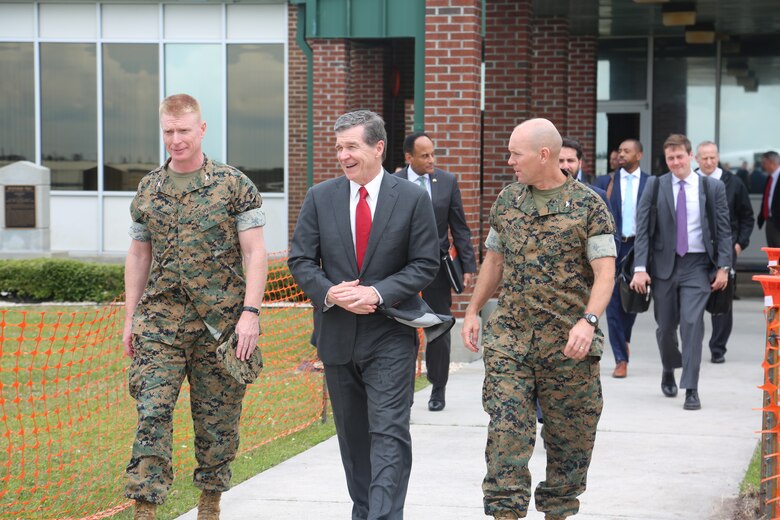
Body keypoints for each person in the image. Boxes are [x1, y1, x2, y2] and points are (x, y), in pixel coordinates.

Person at [288, 110, 440, 520]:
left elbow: (426, 263)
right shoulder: (321, 196)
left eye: (351, 146)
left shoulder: (411, 198)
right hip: (337, 336)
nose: (343, 155)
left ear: (378, 148)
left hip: (390, 333)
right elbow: (301, 259)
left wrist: (376, 292)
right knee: (354, 441)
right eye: (338, 147)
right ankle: (365, 512)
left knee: (389, 433)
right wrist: (331, 293)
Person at [461, 118, 616, 520]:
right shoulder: (508, 201)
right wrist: (473, 309)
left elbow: (605, 272)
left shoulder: (588, 206)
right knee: (506, 437)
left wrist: (589, 321)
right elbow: (493, 261)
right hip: (511, 342)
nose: (509, 160)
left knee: (570, 442)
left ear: (543, 155)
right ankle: (505, 513)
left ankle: (558, 511)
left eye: (516, 153)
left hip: (568, 348)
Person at [123, 94, 268, 520]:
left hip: (220, 327)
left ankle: (209, 504)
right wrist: (130, 318)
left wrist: (250, 314)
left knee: (217, 423)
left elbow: (255, 254)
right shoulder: (149, 188)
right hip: (159, 324)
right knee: (152, 411)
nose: (175, 139)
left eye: (183, 130)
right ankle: (145, 509)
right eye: (168, 131)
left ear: (201, 130)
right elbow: (137, 254)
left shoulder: (233, 185)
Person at [630, 134, 731, 411]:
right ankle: (668, 366)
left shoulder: (711, 187)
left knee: (692, 324)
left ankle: (691, 388)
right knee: (665, 328)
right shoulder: (655, 185)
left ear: (691, 157)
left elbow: (723, 229)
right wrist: (640, 268)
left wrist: (723, 267)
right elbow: (643, 230)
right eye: (670, 158)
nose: (675, 162)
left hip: (697, 266)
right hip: (663, 266)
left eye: (680, 157)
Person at [394, 132, 476, 411]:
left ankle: (437, 387)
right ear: (409, 157)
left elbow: (460, 226)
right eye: (425, 155)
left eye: (433, 154)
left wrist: (467, 265)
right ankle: (402, 391)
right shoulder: (394, 182)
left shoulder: (447, 182)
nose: (432, 160)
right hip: (398, 269)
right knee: (399, 328)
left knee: (438, 326)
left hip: (436, 268)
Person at [695, 141, 754, 363]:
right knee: (695, 299)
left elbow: (747, 216)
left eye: (712, 157)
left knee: (722, 302)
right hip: (697, 251)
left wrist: (739, 244)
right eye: (704, 158)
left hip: (726, 250)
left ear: (718, 157)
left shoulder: (734, 183)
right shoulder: (691, 181)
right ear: (696, 158)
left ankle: (718, 348)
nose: (709, 162)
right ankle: (694, 345)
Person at [595, 138, 650, 378]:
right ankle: (620, 358)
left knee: (633, 303)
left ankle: (624, 339)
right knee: (614, 304)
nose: (621, 154)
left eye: (626, 151)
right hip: (614, 247)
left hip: (639, 248)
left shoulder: (651, 183)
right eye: (619, 150)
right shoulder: (606, 181)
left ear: (639, 155)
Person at [758, 151, 780, 247]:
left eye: (764, 162)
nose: (763, 166)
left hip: (778, 223)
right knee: (772, 254)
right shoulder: (770, 178)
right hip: (770, 222)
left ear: (771, 162)